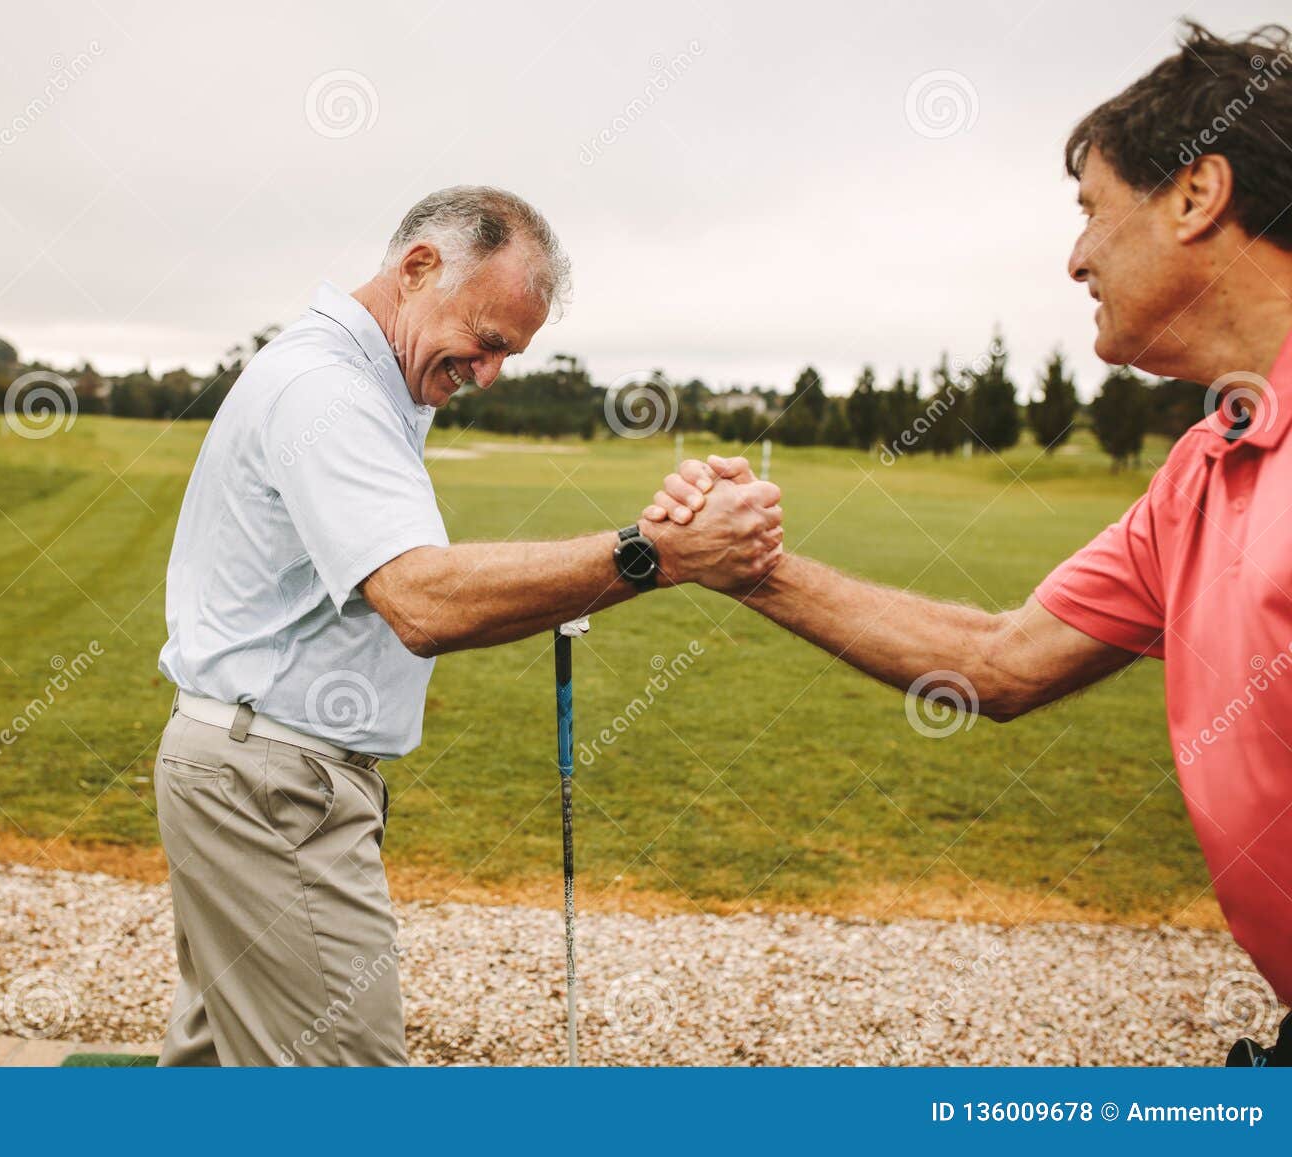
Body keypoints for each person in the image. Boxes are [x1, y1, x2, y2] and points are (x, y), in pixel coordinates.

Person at [648, 21, 1292, 1062]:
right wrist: (738, 564)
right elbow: (999, 660)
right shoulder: (1202, 468)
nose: (1076, 256)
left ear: (1195, 193)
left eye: (1091, 210)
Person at [155, 185, 782, 1065]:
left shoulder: (367, 376)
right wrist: (656, 553)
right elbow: (423, 600)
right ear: (418, 269)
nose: (488, 375)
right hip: (272, 787)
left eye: (508, 356)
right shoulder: (327, 391)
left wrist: (637, 556)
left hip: (247, 770)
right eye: (487, 343)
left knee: (211, 1078)